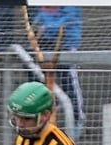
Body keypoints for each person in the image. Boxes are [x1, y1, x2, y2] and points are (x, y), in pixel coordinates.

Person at [32, 6, 85, 137]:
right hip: (47, 41)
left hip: (66, 43)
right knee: (37, 73)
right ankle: (43, 113)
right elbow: (41, 13)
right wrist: (36, 24)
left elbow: (69, 19)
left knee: (69, 81)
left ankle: (78, 119)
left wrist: (45, 27)